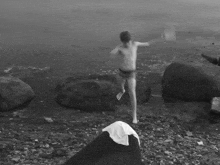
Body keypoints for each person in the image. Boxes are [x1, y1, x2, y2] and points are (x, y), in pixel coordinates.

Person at [110, 31, 163, 124]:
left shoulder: (135, 44)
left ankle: (134, 116)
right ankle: (122, 91)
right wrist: (117, 48)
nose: (126, 44)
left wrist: (159, 38)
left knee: (132, 93)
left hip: (131, 73)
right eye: (124, 42)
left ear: (130, 40)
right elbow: (112, 54)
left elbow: (148, 43)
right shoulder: (120, 48)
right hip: (122, 72)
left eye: (127, 42)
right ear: (122, 42)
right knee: (120, 85)